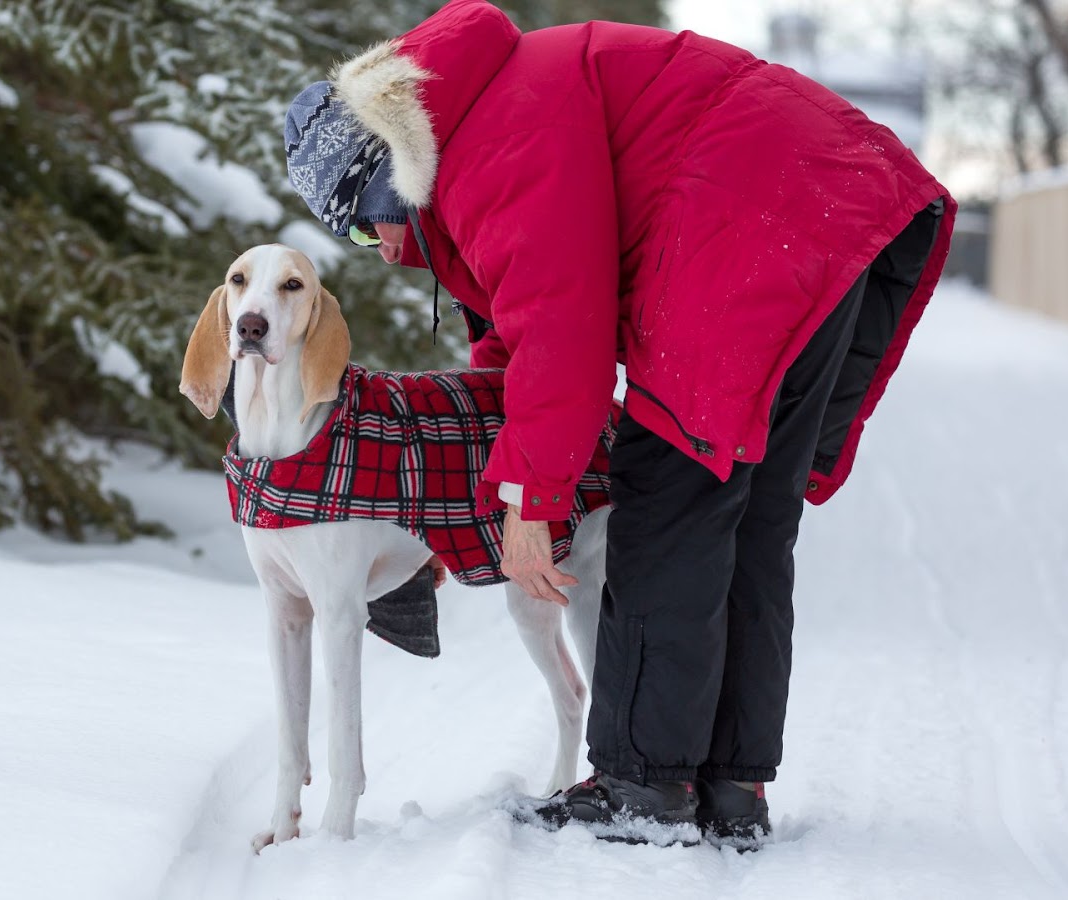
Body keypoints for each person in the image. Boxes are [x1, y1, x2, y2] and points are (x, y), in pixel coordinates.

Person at [283, 0, 952, 849]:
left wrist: (530, 500)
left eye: (359, 218)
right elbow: (520, 342)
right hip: (829, 200)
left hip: (744, 214)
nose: (374, 245)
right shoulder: (484, 107)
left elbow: (564, 325)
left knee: (670, 496)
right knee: (747, 508)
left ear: (386, 172)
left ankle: (645, 782)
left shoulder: (490, 142)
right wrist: (477, 483)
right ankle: (729, 784)